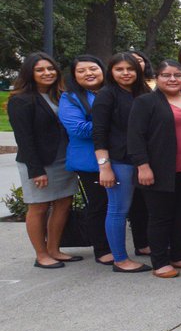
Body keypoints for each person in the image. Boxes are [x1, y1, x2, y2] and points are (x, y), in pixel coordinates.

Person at [126, 60, 181, 278]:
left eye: (177, 75)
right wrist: (143, 166)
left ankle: (178, 255)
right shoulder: (145, 102)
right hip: (158, 169)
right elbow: (135, 137)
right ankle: (159, 261)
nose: (172, 79)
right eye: (166, 75)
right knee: (160, 216)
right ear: (157, 78)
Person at [8, 53, 79, 269]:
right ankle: (41, 255)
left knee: (63, 203)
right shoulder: (20, 100)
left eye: (50, 68)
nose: (47, 73)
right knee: (38, 207)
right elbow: (24, 139)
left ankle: (54, 249)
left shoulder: (60, 95)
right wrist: (36, 170)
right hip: (39, 162)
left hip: (63, 160)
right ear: (30, 73)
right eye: (40, 70)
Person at [93, 52, 152, 273]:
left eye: (130, 69)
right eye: (120, 69)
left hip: (143, 160)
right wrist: (105, 166)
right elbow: (99, 133)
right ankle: (120, 259)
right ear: (111, 72)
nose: (126, 73)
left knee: (140, 208)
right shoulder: (107, 95)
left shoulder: (143, 92)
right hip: (119, 161)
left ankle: (143, 246)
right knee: (118, 209)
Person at [59, 55, 112, 263]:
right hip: (89, 161)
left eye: (93, 68)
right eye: (81, 71)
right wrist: (115, 126)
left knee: (118, 205)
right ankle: (102, 249)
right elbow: (78, 129)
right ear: (74, 76)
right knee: (99, 204)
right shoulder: (70, 98)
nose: (88, 73)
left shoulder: (112, 92)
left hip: (118, 157)